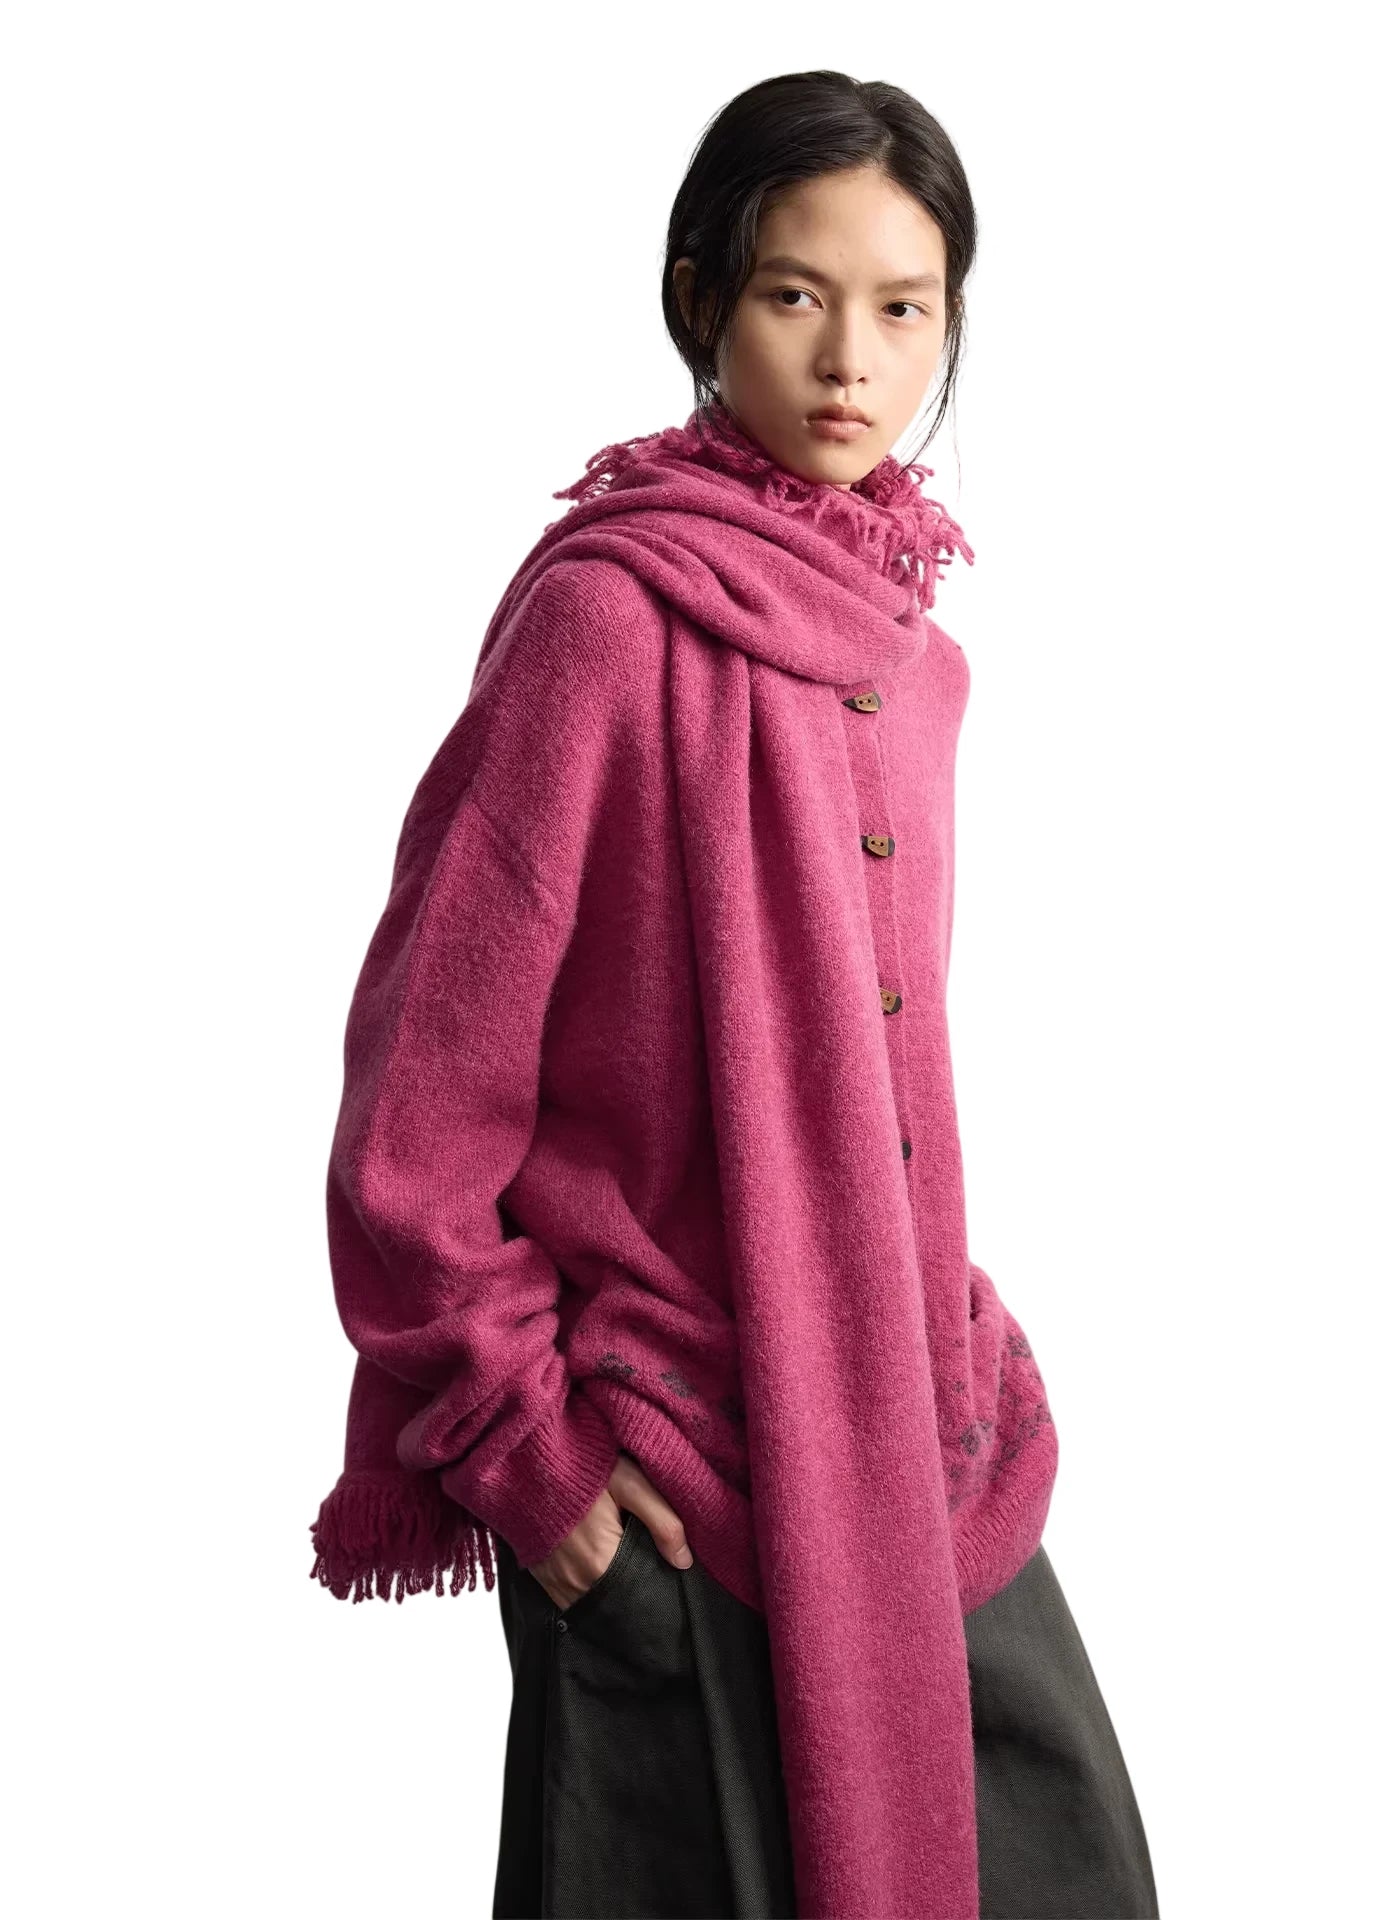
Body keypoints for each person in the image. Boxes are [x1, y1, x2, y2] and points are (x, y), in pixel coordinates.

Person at [308, 68, 1160, 1920]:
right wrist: (527, 1455)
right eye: (795, 294)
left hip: (919, 1439)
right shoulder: (605, 620)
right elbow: (421, 1101)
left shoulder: (921, 663)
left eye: (904, 307)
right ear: (700, 297)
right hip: (673, 1470)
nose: (851, 359)